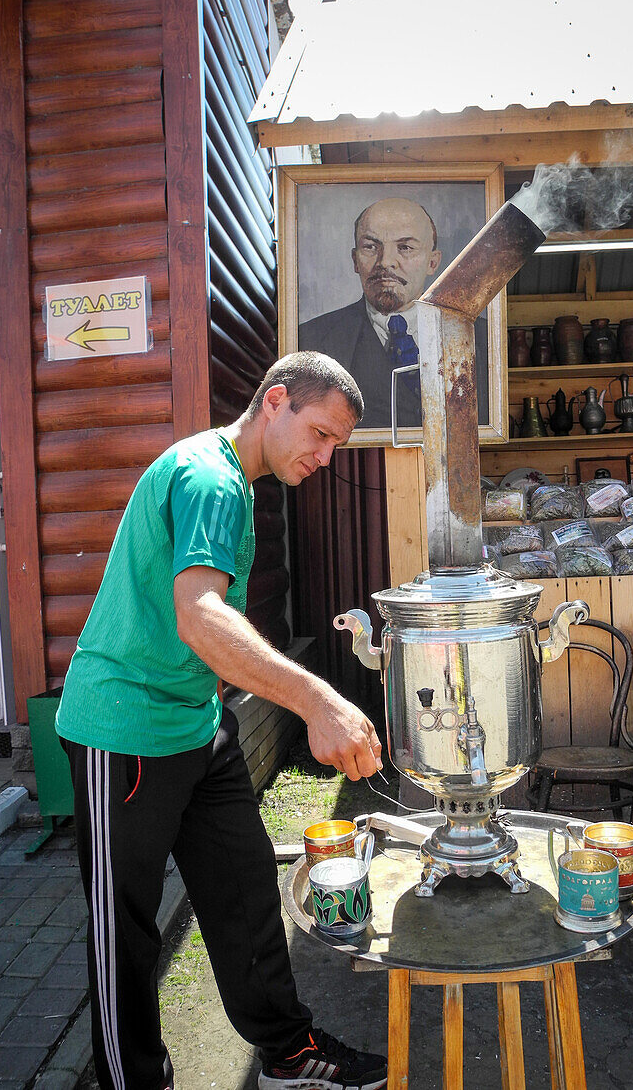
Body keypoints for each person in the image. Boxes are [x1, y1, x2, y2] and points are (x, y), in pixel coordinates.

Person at [55, 352, 387, 1090]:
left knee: (242, 890)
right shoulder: (210, 478)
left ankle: (287, 1050)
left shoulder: (236, 479)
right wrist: (318, 700)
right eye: (321, 433)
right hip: (124, 730)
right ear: (275, 401)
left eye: (337, 444)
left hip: (196, 724)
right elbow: (200, 618)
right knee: (125, 933)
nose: (325, 456)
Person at [299, 196, 489, 429]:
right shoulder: (310, 341)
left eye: (405, 248)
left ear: (432, 262)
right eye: (370, 247)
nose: (386, 262)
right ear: (355, 260)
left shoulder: (483, 339)